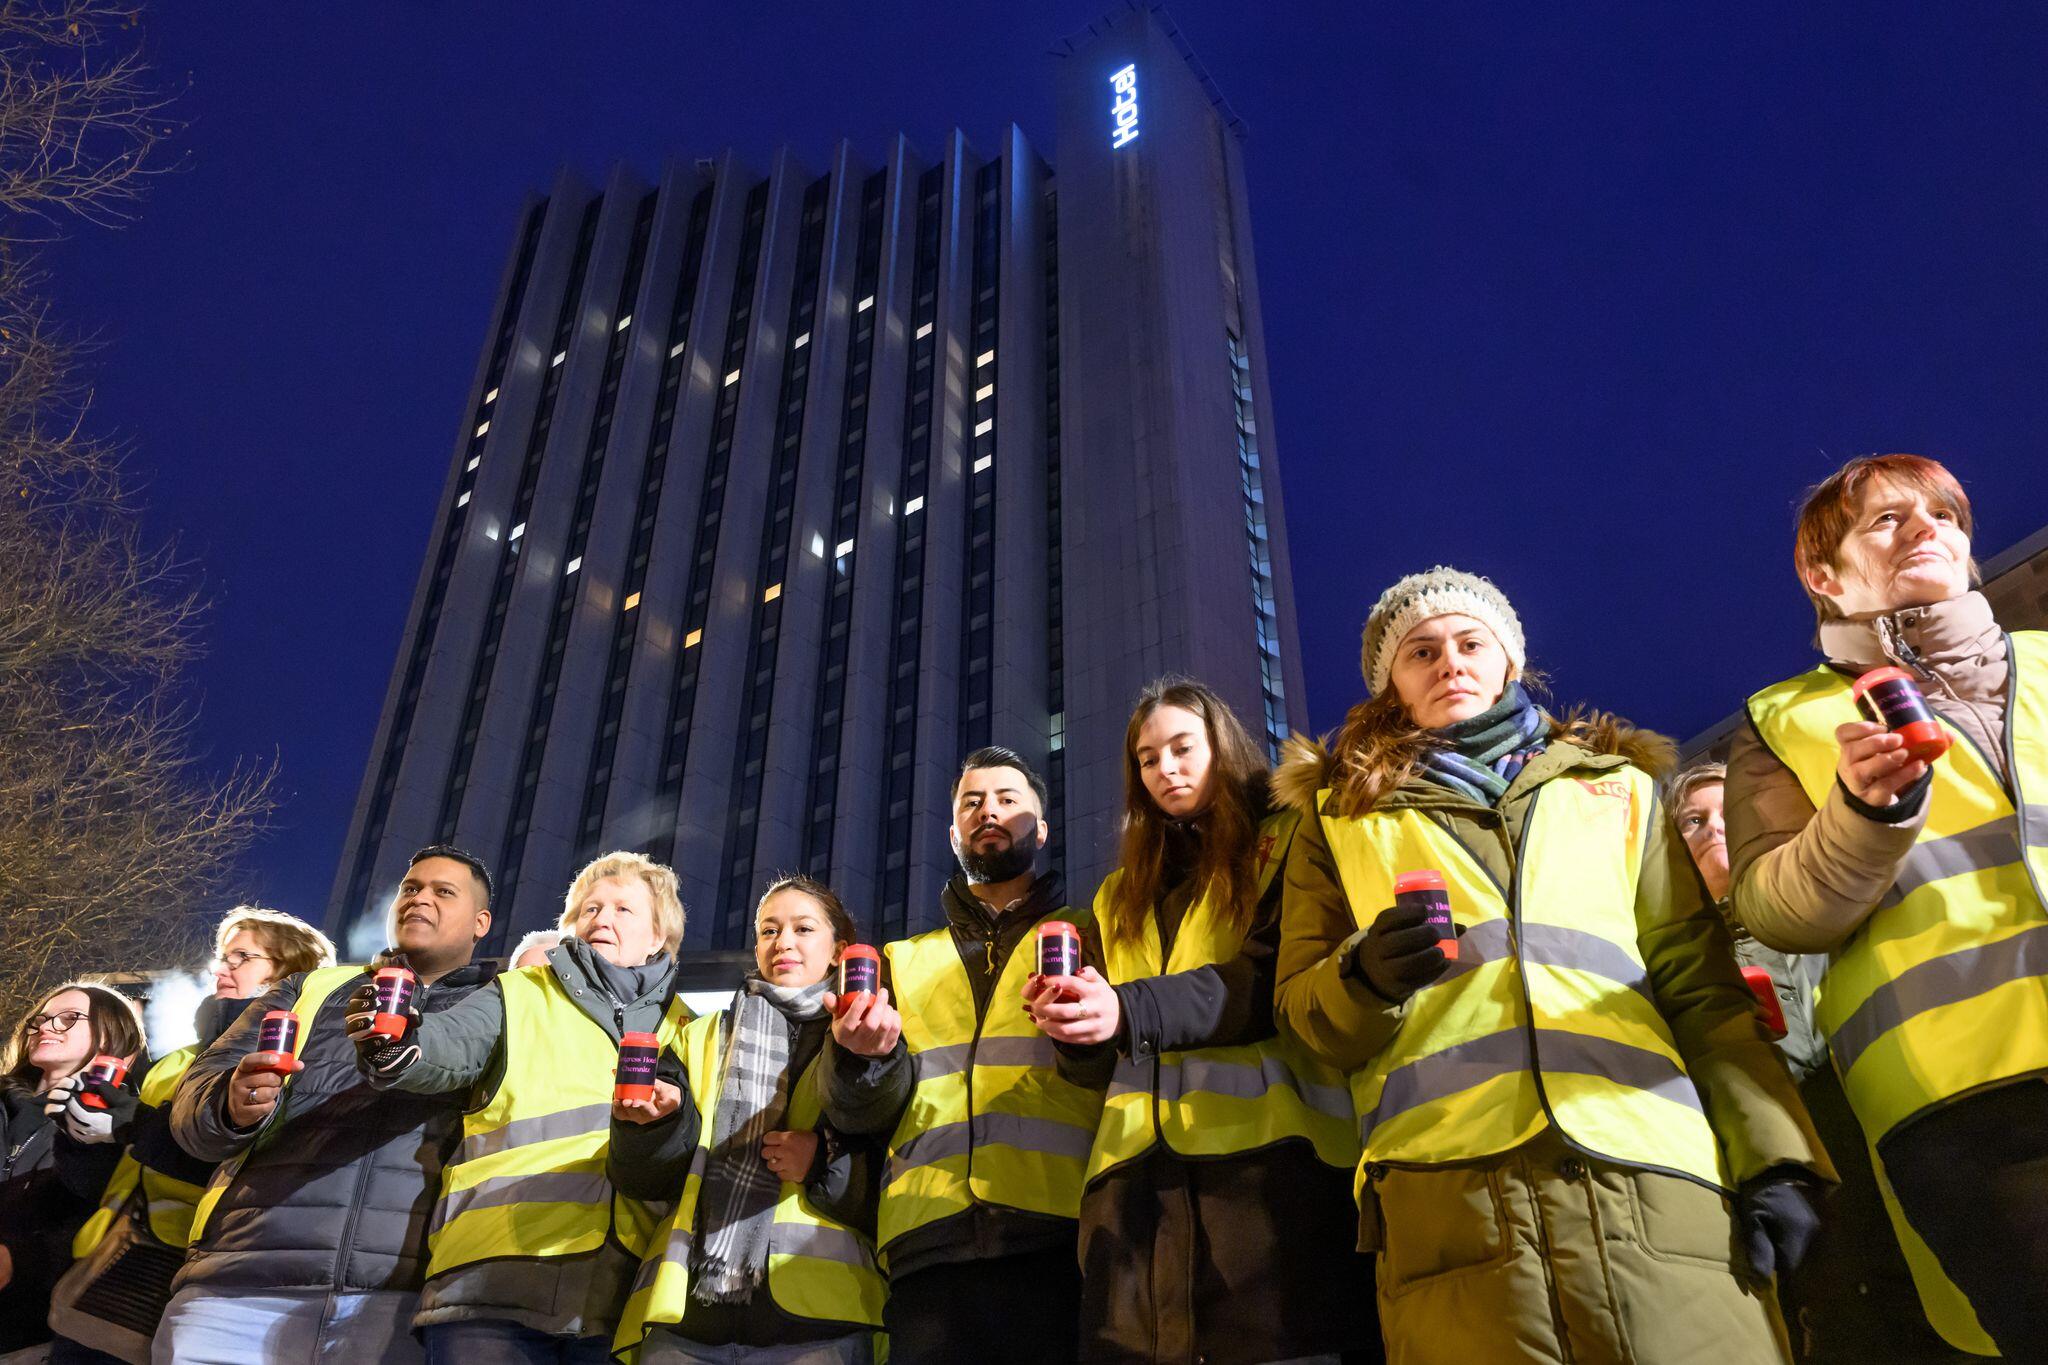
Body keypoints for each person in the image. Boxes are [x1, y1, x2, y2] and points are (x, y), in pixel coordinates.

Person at [1274, 566, 1833, 1365]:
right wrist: (1361, 980)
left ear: (1510, 660)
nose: (1449, 661)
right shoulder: (1336, 820)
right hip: (1453, 1203)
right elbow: (1303, 1014)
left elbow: (1702, 992)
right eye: (1421, 651)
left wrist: (1774, 1155)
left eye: (1470, 643)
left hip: (1656, 1181)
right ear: (1391, 684)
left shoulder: (1622, 790)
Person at [1731, 453, 2048, 1358]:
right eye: (1886, 519)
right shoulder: (1783, 719)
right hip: (1970, 1102)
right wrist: (1866, 815)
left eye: (1943, 515)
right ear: (1822, 575)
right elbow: (1779, 910)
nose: (1924, 528)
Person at [1027, 678, 1378, 1363]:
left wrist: (1124, 1009)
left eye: (1183, 747)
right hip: (1132, 1191)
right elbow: (1100, 1060)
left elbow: (1268, 980)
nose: (1166, 768)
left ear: (1223, 746)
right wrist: (1073, 1027)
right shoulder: (1116, 894)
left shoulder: (1286, 839)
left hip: (1267, 1178)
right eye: (1148, 759)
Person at [822, 746, 1107, 1364]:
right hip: (928, 1243)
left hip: (1062, 1234)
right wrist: (859, 1059)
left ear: (1042, 829)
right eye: (972, 802)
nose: (989, 811)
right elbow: (856, 1111)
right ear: (954, 835)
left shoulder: (1093, 935)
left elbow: (1119, 1072)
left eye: (1007, 799)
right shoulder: (901, 960)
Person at [160, 846, 499, 1364]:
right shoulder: (309, 989)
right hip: (240, 1287)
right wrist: (230, 1103)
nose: (419, 899)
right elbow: (193, 1106)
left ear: (481, 923)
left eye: (443, 891)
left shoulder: (507, 1009)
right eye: (410, 888)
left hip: (399, 1304)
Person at [355, 851, 690, 1363]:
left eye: (623, 909)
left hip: (622, 1292)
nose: (602, 918)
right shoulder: (520, 992)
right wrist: (398, 1045)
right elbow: (448, 1042)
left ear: (658, 937)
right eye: (590, 909)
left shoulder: (687, 1028)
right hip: (490, 1281)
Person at [609, 874, 885, 1363]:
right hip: (688, 1319)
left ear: (840, 950)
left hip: (818, 1319)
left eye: (803, 929)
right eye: (769, 931)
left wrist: (823, 1163)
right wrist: (654, 1127)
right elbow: (642, 1179)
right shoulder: (697, 1037)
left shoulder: (869, 1034)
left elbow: (897, 1165)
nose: (783, 942)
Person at [48, 907, 335, 1365]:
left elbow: (250, 1172)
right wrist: (80, 1136)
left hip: (218, 1284)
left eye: (242, 958)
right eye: (223, 957)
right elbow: (108, 1181)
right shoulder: (176, 1062)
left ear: (292, 973)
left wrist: (134, 1124)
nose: (221, 969)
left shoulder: (300, 1063)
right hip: (118, 1276)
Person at [0, 981, 146, 1356]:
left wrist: (20, 1259)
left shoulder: (116, 1126)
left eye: (68, 1019)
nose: (46, 1027)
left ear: (111, 1035)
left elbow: (90, 1214)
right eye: (40, 1019)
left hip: (31, 1330)